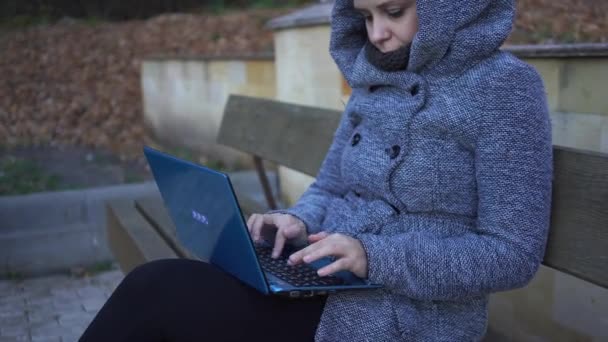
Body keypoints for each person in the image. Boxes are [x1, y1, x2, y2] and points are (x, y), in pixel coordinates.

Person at [80, 0, 553, 341]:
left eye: (394, 12)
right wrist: (298, 221)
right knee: (160, 291)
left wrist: (374, 257)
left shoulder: (504, 90)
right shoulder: (375, 76)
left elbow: (512, 252)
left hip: (404, 317)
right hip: (320, 277)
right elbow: (330, 186)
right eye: (366, 15)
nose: (376, 35)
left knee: (157, 292)